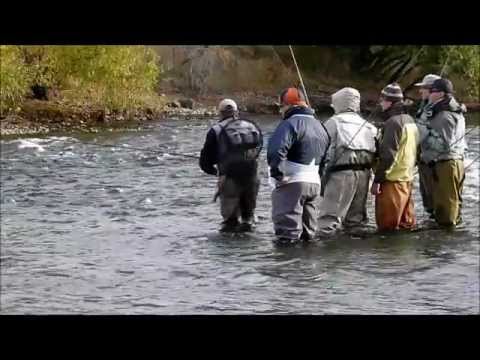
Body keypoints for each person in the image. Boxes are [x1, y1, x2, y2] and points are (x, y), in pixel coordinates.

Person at [267, 87, 330, 244]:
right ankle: (309, 267)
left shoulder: (289, 124)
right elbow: (326, 158)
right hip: (314, 183)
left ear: (288, 105)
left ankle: (289, 267)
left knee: (287, 235)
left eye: (281, 106)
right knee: (309, 235)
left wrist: (278, 175)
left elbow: (276, 151)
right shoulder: (321, 126)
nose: (280, 110)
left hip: (292, 183)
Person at [318, 87, 378, 235]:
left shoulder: (333, 123)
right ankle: (354, 254)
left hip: (341, 176)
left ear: (338, 103)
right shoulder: (369, 126)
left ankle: (326, 253)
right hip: (365, 176)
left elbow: (321, 149)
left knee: (329, 220)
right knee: (356, 221)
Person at [199, 99, 263, 232]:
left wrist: (216, 171)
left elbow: (205, 162)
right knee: (249, 219)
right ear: (236, 112)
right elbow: (258, 150)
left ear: (220, 113)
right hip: (252, 176)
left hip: (229, 179)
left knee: (230, 222)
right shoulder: (251, 126)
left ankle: (230, 250)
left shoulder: (215, 130)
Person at [371, 83, 418, 232]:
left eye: (382, 100)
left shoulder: (392, 123)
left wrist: (377, 180)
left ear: (389, 102)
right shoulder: (410, 120)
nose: (380, 103)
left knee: (387, 230)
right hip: (407, 181)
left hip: (391, 183)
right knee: (406, 227)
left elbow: (388, 155)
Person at [421, 78, 467, 228]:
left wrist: (421, 133)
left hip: (446, 165)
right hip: (449, 163)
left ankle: (445, 245)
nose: (429, 93)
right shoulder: (450, 110)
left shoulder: (444, 115)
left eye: (432, 91)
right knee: (448, 208)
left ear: (440, 93)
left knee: (447, 213)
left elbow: (444, 145)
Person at [414, 74, 441, 218]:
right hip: (424, 160)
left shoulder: (436, 109)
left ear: (432, 90)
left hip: (433, 162)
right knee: (427, 200)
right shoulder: (424, 106)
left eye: (423, 88)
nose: (420, 91)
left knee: (435, 199)